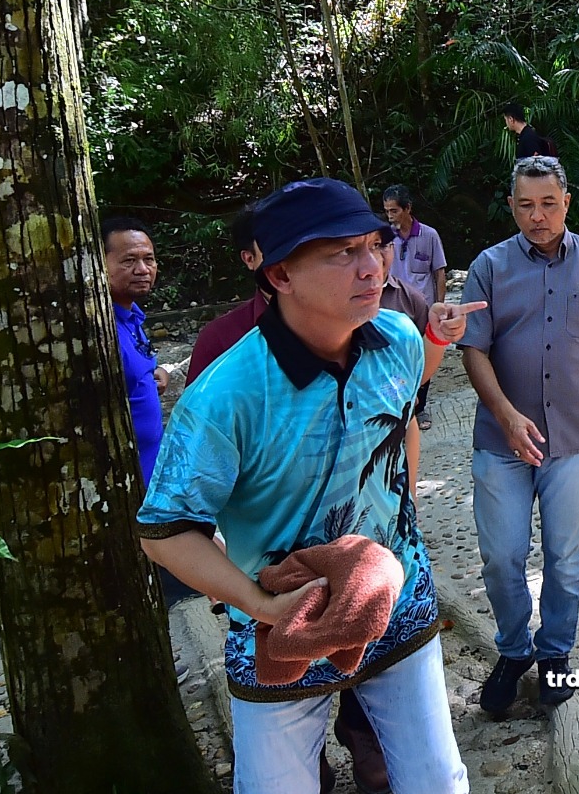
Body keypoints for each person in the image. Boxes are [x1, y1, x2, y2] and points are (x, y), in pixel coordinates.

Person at [138, 178, 479, 794]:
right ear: (279, 275)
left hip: (397, 599)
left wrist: (403, 513)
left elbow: (400, 423)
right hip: (281, 627)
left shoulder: (400, 340)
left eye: (374, 245)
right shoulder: (225, 396)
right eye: (342, 252)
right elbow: (165, 533)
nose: (371, 267)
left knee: (437, 780)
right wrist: (262, 605)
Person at [458, 156, 579, 717]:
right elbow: (473, 349)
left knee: (566, 557)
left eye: (547, 204)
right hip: (502, 442)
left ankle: (556, 652)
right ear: (511, 207)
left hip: (576, 438)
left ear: (567, 203)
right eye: (525, 205)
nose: (537, 216)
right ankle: (514, 649)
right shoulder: (489, 267)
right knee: (501, 557)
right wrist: (507, 416)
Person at [102, 215, 169, 482]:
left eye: (148, 259)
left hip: (152, 474)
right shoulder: (101, 331)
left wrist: (154, 373)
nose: (142, 269)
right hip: (124, 482)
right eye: (129, 261)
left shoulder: (132, 317)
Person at [383, 185, 448, 429]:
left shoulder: (429, 235)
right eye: (387, 211)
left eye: (394, 211)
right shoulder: (385, 238)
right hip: (394, 309)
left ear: (408, 208)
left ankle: (419, 409)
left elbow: (439, 273)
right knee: (394, 359)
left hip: (423, 309)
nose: (390, 216)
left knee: (422, 358)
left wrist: (439, 307)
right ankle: (399, 407)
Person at [187, 206, 270, 386]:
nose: (289, 255)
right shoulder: (219, 340)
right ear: (249, 259)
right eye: (274, 245)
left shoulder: (333, 324)